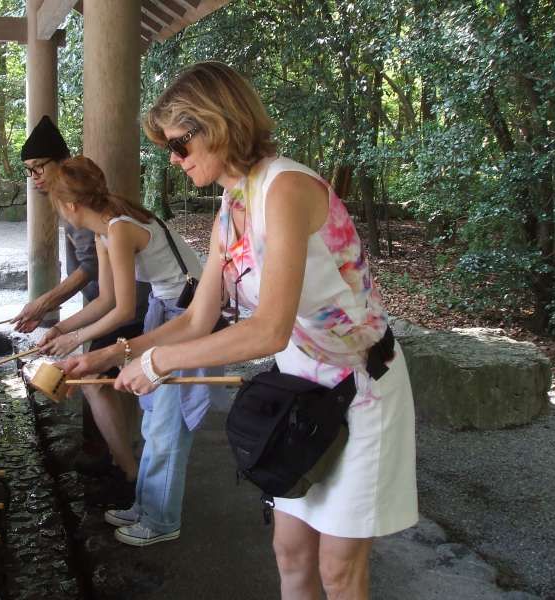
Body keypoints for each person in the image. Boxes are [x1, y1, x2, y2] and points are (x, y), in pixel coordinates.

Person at [60, 62, 418, 598]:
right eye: (168, 149)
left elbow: (269, 328)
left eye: (181, 144)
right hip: (301, 389)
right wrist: (113, 353)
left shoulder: (286, 188)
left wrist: (158, 364)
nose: (175, 159)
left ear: (220, 124)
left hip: (361, 386)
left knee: (339, 570)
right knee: (291, 553)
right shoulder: (233, 201)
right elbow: (195, 318)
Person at [42, 156, 227, 547]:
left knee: (167, 424)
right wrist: (62, 329)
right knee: (153, 417)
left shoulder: (119, 229)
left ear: (70, 205)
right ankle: (145, 504)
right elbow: (106, 300)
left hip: (186, 316)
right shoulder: (105, 232)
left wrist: (81, 344)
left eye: (56, 204)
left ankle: (161, 520)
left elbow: (124, 309)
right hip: (165, 312)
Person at [12, 116, 149, 489]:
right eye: (30, 171)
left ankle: (125, 468)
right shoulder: (91, 211)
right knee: (108, 380)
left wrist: (56, 317)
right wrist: (60, 326)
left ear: (62, 163)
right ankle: (125, 459)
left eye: (40, 167)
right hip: (117, 304)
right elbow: (105, 292)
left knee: (93, 379)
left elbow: (107, 289)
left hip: (137, 307)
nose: (36, 176)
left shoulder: (95, 217)